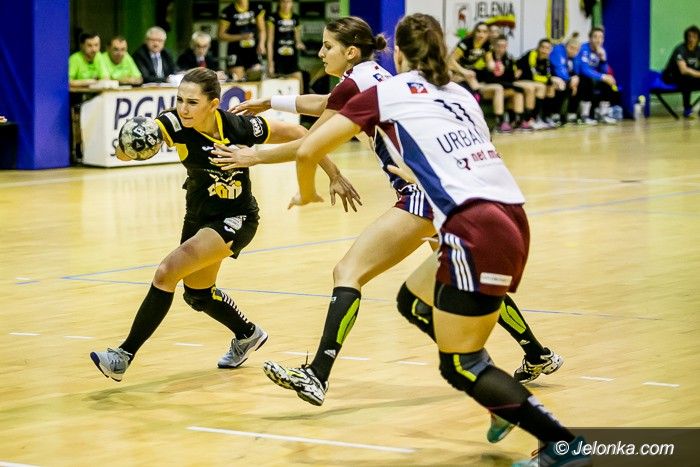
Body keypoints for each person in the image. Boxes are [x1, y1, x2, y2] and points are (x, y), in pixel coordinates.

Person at [282, 13, 591, 466]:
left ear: (398, 54)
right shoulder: (460, 94)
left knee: (462, 364)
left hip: (472, 225)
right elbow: (477, 150)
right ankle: (502, 388)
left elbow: (310, 146)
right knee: (413, 300)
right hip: (509, 215)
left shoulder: (387, 91)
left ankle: (562, 445)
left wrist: (304, 189)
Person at [218, 16, 562, 412]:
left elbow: (311, 141)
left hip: (421, 193)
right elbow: (330, 104)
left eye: (327, 46)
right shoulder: (374, 77)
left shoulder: (357, 83)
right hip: (449, 195)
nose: (320, 53)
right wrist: (271, 102)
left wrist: (253, 156)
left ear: (350, 51)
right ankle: (536, 353)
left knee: (349, 271)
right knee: (465, 276)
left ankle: (318, 373)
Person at [89, 68, 357, 382]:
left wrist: (334, 174)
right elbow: (128, 152)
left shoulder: (237, 126)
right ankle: (248, 334)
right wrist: (129, 146)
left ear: (213, 104)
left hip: (236, 218)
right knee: (198, 294)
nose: (183, 109)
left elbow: (300, 134)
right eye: (179, 100)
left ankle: (122, 356)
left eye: (192, 102)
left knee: (166, 272)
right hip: (198, 216)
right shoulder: (173, 124)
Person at [449, 23, 510, 131]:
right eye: (479, 31)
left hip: (469, 75)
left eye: (484, 32)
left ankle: (499, 123)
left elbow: (490, 63)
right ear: (474, 32)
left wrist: (496, 67)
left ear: (488, 34)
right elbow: (450, 61)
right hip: (455, 70)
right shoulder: (466, 42)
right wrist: (463, 71)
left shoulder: (487, 44)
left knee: (482, 83)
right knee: (467, 78)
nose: (481, 34)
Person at [516, 38, 565, 128]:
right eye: (543, 47)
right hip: (520, 80)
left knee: (551, 87)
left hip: (532, 81)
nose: (544, 50)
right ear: (538, 47)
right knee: (541, 86)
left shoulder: (547, 60)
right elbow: (533, 75)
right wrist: (550, 80)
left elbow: (547, 75)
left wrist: (553, 81)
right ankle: (532, 118)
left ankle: (546, 117)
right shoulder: (532, 54)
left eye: (547, 48)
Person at [577, 27, 620, 124]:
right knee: (587, 79)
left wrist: (603, 59)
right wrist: (603, 77)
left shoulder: (601, 50)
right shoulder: (584, 49)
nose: (598, 40)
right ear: (590, 38)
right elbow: (584, 70)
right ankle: (584, 116)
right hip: (580, 79)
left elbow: (604, 71)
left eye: (601, 37)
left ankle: (603, 114)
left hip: (594, 79)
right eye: (595, 37)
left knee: (609, 82)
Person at [218, 0, 266, 81]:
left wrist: (261, 43)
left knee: (255, 77)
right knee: (237, 79)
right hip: (235, 51)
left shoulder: (256, 7)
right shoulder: (228, 11)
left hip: (253, 50)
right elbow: (221, 35)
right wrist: (241, 37)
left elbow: (262, 30)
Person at [266, 0, 305, 92]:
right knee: (276, 88)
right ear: (279, 3)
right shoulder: (273, 17)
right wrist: (270, 63)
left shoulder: (295, 18)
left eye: (288, 2)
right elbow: (270, 41)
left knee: (299, 83)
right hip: (277, 58)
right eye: (284, 2)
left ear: (292, 3)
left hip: (292, 58)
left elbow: (297, 39)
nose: (286, 5)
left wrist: (299, 44)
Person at [662, 25, 700, 119]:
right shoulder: (680, 49)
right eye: (689, 36)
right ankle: (687, 109)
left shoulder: (698, 50)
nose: (691, 39)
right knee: (687, 78)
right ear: (686, 37)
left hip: (691, 76)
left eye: (694, 37)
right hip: (671, 75)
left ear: (698, 39)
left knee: (690, 78)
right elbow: (683, 70)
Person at [550, 33, 581, 123]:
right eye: (571, 48)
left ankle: (573, 113)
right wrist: (571, 80)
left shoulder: (574, 57)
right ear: (566, 46)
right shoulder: (558, 50)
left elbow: (577, 70)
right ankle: (556, 114)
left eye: (576, 49)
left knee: (582, 82)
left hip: (565, 78)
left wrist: (576, 77)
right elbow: (559, 70)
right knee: (564, 83)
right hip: (553, 76)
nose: (573, 51)